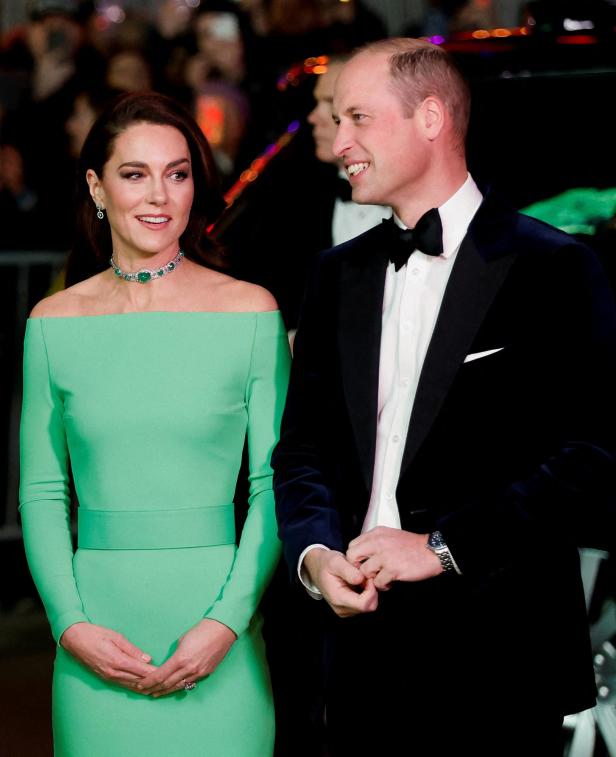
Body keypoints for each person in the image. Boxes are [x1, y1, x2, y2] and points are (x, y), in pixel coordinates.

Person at [272, 38, 616, 756]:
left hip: (497, 642)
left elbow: (592, 452)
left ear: (430, 117)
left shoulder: (554, 266)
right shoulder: (335, 275)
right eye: (337, 121)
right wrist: (312, 553)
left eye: (357, 118)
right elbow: (302, 446)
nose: (339, 144)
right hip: (356, 638)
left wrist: (442, 547)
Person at [19, 91, 290, 756]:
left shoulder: (251, 313)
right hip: (94, 640)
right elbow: (43, 492)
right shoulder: (52, 324)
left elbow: (273, 485)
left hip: (221, 634)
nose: (159, 195)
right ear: (97, 187)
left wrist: (226, 624)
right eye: (135, 173)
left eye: (178, 173)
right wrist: (70, 625)